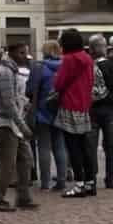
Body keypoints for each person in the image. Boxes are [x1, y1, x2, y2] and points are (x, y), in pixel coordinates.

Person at [0, 41, 37, 212]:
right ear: (12, 53)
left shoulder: (11, 71)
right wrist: (22, 125)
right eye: (22, 53)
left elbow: (15, 98)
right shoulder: (6, 72)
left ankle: (23, 196)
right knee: (7, 164)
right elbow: (8, 103)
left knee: (25, 159)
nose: (25, 56)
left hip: (12, 124)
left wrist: (25, 103)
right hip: (6, 125)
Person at [53, 28, 97, 198]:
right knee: (84, 147)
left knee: (73, 147)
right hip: (84, 105)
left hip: (70, 104)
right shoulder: (87, 58)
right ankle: (89, 182)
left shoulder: (69, 59)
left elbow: (59, 83)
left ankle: (78, 183)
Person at [88, 34, 113, 190]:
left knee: (90, 145)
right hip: (109, 110)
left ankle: (91, 176)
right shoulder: (110, 65)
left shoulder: (88, 65)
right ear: (100, 48)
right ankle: (110, 177)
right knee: (111, 145)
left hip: (91, 109)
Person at [30, 40, 68, 191]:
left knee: (44, 147)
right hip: (61, 110)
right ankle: (62, 179)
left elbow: (31, 89)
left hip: (42, 111)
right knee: (60, 146)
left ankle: (45, 182)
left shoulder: (39, 67)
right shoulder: (65, 67)